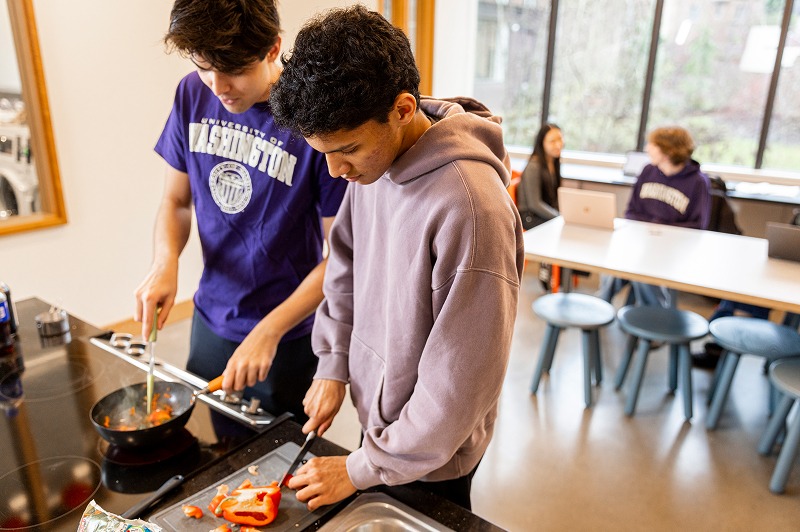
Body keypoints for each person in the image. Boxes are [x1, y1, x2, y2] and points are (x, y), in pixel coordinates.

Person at [270, 5, 524, 511]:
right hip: (384, 431)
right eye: (323, 153)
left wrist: (359, 468)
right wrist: (334, 364)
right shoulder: (372, 165)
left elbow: (458, 389)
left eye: (347, 148)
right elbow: (344, 265)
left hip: (432, 454)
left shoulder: (472, 210)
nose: (336, 170)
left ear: (404, 109)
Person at [133, 0, 348, 425]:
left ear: (273, 48)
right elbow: (176, 202)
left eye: (234, 71)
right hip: (211, 317)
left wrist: (270, 330)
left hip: (285, 329)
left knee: (278, 470)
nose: (218, 86)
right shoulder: (191, 93)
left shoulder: (313, 119)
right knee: (218, 456)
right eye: (204, 67)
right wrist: (165, 262)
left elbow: (343, 255)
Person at [599, 126, 711, 307]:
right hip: (640, 240)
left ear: (668, 151)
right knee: (613, 266)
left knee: (643, 273)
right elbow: (631, 211)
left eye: (652, 145)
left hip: (672, 248)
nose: (647, 149)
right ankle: (602, 306)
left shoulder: (698, 182)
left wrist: (662, 229)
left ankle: (652, 316)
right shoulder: (647, 171)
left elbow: (698, 225)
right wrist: (646, 229)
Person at [516, 123, 564, 230]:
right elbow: (535, 204)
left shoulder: (554, 163)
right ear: (542, 143)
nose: (558, 145)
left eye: (560, 139)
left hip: (543, 214)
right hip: (530, 217)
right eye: (552, 141)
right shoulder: (534, 165)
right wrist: (558, 217)